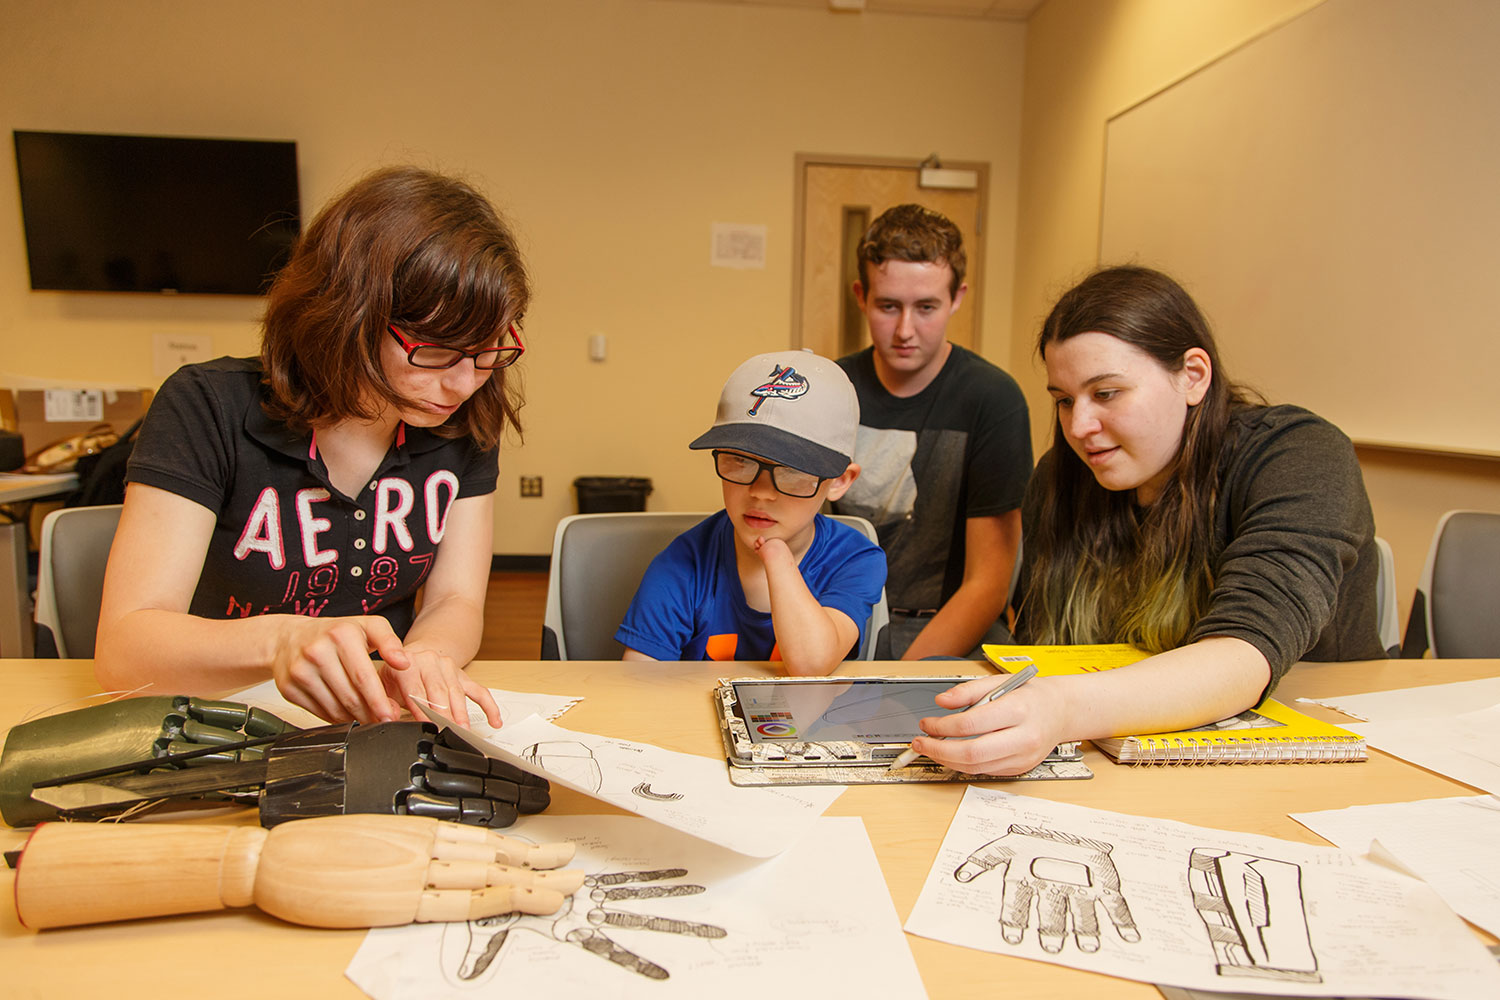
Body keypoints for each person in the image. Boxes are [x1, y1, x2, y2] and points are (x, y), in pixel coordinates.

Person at [95, 166, 529, 729]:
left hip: (376, 723)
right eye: (436, 351)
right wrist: (282, 640)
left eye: (490, 348)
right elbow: (126, 649)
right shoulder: (206, 406)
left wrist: (424, 658)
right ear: (346, 315)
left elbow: (455, 602)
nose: (465, 382)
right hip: (222, 717)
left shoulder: (464, 421)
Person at [907, 266, 1387, 775]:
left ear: (1193, 377)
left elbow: (1244, 654)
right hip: (1120, 760)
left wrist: (1062, 708)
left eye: (1107, 393)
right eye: (1065, 401)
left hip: (1323, 758)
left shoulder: (1299, 455)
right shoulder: (1060, 478)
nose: (1079, 427)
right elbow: (1048, 650)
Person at [833, 204, 1032, 659]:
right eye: (888, 306)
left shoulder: (993, 399)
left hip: (954, 635)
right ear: (861, 295)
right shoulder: (832, 389)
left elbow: (989, 583)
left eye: (926, 307)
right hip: (842, 621)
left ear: (957, 297)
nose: (906, 330)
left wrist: (900, 681)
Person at [616, 351, 887, 675]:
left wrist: (777, 557)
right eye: (740, 462)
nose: (760, 491)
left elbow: (811, 663)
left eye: (792, 471)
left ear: (840, 481)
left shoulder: (855, 559)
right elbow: (636, 685)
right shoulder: (682, 562)